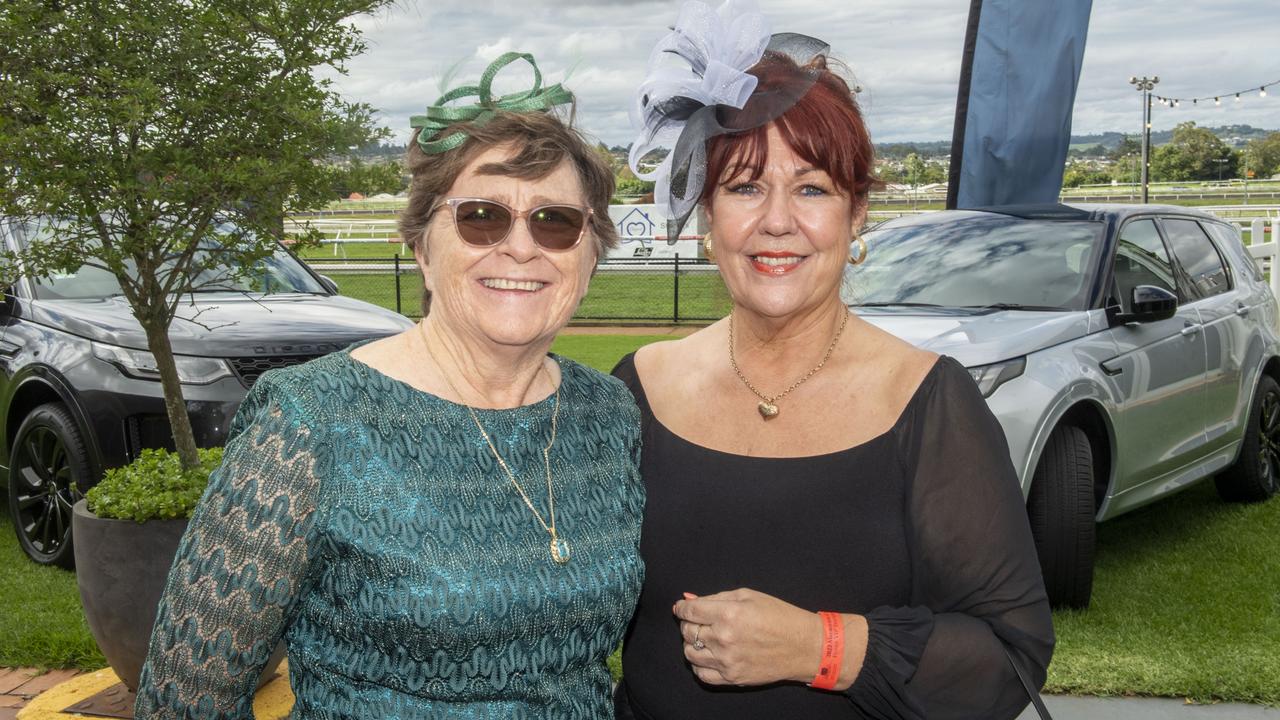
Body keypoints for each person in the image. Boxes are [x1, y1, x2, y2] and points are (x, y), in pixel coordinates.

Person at [134, 53, 644, 719]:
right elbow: (183, 698)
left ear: (590, 252)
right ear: (423, 247)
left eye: (556, 221)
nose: (521, 247)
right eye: (482, 215)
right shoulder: (311, 421)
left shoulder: (606, 413)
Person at [611, 4, 1054, 719]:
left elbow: (1011, 658)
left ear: (856, 217)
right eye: (745, 186)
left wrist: (820, 648)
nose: (777, 221)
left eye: (812, 188)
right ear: (704, 219)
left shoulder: (928, 403)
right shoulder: (638, 388)